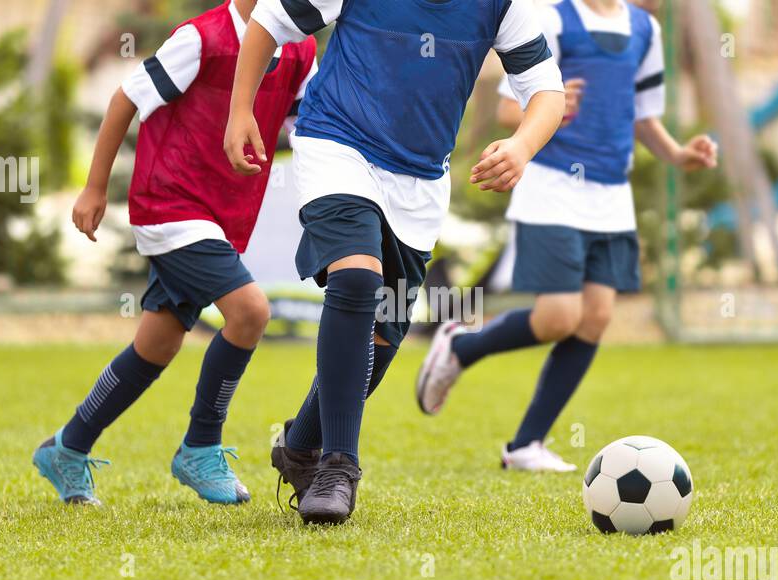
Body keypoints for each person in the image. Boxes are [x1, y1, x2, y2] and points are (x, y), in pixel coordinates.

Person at [226, 0, 567, 524]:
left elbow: (546, 89)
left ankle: (300, 444)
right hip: (334, 144)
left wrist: (522, 147)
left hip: (420, 182)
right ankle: (338, 466)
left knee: (383, 340)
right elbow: (270, 20)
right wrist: (241, 110)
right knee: (358, 279)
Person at [33, 0, 317, 506]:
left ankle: (67, 447)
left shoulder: (299, 47)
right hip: (169, 204)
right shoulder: (201, 39)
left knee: (157, 345)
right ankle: (200, 445)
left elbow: (309, 119)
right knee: (251, 311)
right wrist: (95, 189)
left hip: (224, 218)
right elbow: (125, 99)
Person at [415, 0, 718, 472]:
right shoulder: (553, 19)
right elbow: (508, 110)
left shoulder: (646, 31)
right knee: (558, 316)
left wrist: (678, 154)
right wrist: (556, 109)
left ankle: (524, 446)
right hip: (552, 188)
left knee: (594, 318)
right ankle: (460, 346)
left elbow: (642, 117)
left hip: (612, 197)